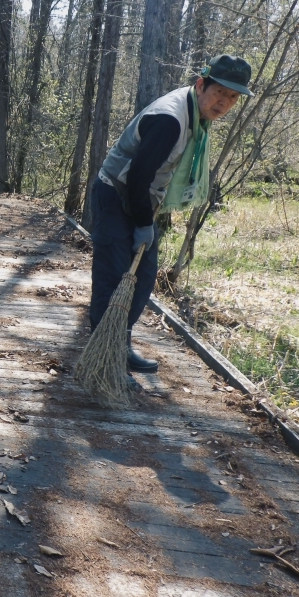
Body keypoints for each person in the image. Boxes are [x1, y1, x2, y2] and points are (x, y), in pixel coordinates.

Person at [89, 54, 252, 373]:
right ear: (201, 85)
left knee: (143, 277)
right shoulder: (171, 120)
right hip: (116, 194)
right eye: (220, 92)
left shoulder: (197, 114)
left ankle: (117, 343)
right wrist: (142, 225)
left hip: (139, 197)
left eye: (232, 97)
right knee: (114, 276)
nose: (225, 103)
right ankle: (104, 361)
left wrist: (146, 220)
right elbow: (137, 176)